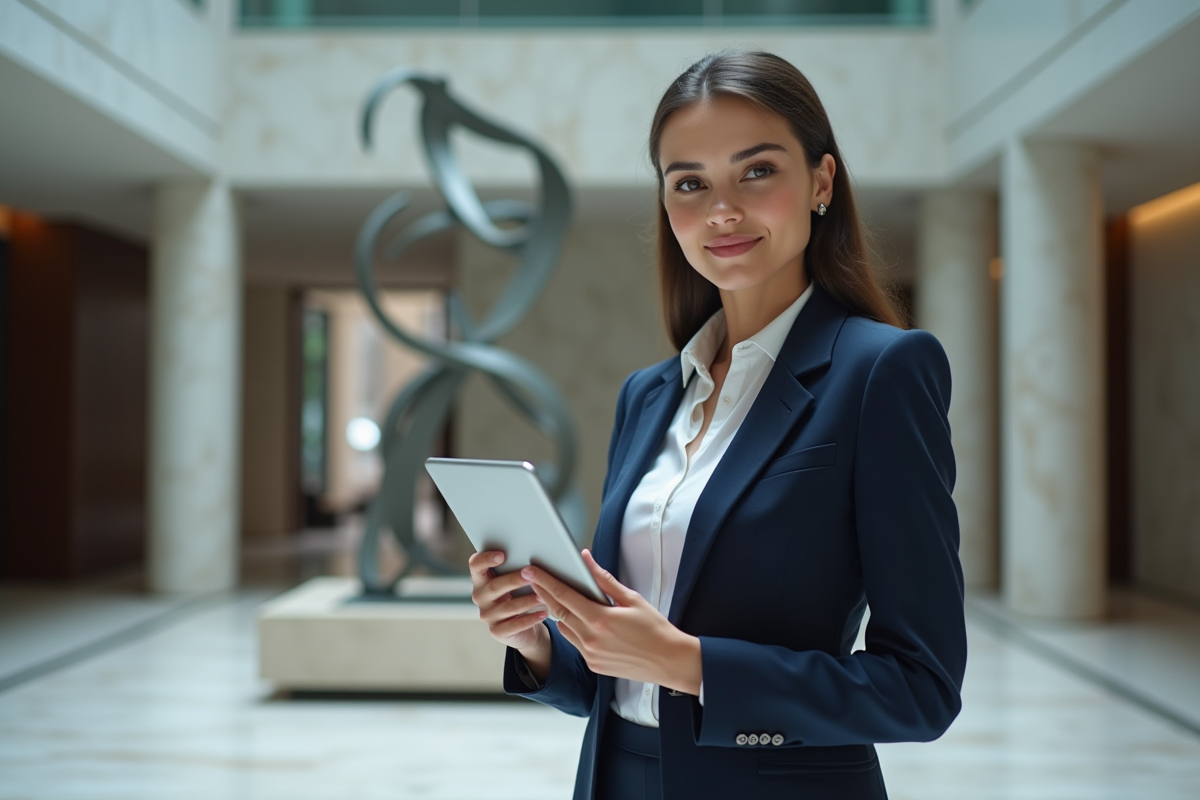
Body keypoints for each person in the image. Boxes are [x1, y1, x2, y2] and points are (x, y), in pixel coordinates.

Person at [468, 50, 966, 800]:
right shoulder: (649, 395)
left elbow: (920, 689)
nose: (721, 212)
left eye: (756, 172)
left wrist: (689, 664)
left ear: (821, 181)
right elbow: (612, 682)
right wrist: (537, 639)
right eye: (690, 184)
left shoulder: (880, 373)